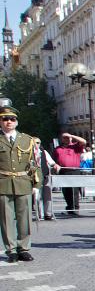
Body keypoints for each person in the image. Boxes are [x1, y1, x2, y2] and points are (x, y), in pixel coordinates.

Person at [0, 106, 40, 263]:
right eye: (5, 119)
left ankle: (24, 248)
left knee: (25, 218)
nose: (8, 122)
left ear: (16, 122)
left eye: (12, 119)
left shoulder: (27, 140)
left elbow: (35, 164)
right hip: (3, 183)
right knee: (6, 218)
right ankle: (11, 250)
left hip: (24, 183)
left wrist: (37, 185)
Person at [52, 132, 85, 215]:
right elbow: (54, 160)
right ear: (61, 139)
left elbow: (84, 141)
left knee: (74, 190)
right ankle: (69, 207)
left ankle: (75, 208)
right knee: (66, 191)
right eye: (64, 137)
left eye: (67, 137)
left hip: (74, 171)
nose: (66, 139)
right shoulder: (57, 149)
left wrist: (71, 136)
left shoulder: (75, 146)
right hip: (63, 171)